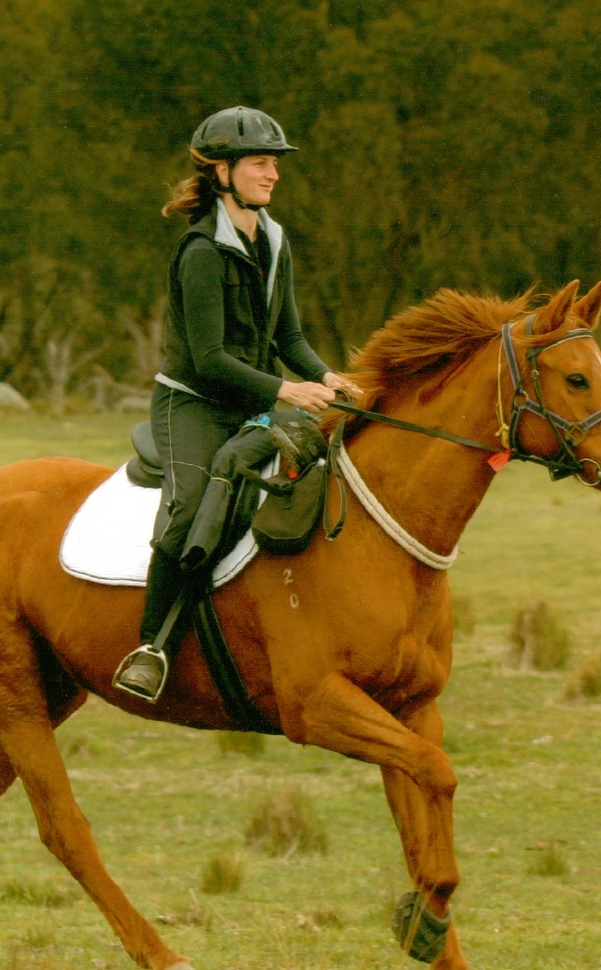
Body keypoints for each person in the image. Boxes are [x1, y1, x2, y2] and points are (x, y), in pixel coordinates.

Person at [113, 106, 356, 703]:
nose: (273, 174)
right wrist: (286, 390)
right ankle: (151, 647)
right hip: (193, 405)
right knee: (190, 507)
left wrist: (329, 376)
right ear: (222, 172)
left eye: (274, 163)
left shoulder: (274, 240)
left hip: (254, 403)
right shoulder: (200, 250)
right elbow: (209, 359)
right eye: (260, 164)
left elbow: (288, 338)